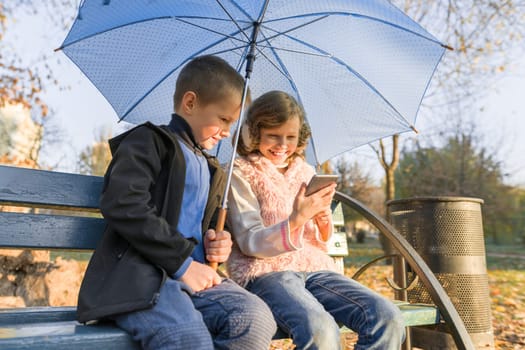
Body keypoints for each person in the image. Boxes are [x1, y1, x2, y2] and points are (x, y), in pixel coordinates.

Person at [76, 55, 277, 350]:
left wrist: (218, 240)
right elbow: (124, 203)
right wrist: (182, 264)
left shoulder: (212, 168)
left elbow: (205, 227)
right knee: (187, 338)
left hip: (196, 279)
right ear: (191, 103)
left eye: (232, 123)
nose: (226, 132)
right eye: (223, 119)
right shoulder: (149, 142)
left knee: (255, 318)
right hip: (143, 280)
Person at [226, 90, 406, 350]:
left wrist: (321, 219)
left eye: (291, 137)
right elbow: (250, 242)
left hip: (316, 270)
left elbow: (320, 240)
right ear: (254, 133)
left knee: (386, 317)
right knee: (321, 329)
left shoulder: (305, 171)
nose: (283, 145)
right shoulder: (241, 172)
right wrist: (296, 219)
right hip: (268, 273)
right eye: (273, 136)